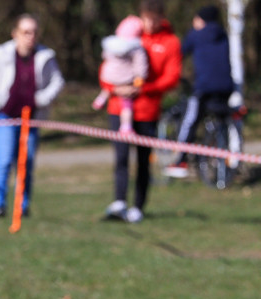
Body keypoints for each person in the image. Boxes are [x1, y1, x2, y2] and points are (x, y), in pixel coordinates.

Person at [0, 13, 65, 219]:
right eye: (25, 32)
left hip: (30, 119)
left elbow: (58, 82)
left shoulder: (45, 56)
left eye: (34, 32)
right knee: (4, 160)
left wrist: (42, 98)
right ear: (15, 33)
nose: (30, 36)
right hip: (3, 117)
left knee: (26, 162)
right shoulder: (2, 53)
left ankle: (22, 206)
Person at [102, 0, 181, 223]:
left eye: (155, 18)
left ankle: (138, 206)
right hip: (119, 108)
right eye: (147, 17)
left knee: (143, 161)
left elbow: (171, 77)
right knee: (120, 157)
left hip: (147, 111)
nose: (151, 23)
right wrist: (114, 87)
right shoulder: (130, 34)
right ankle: (119, 202)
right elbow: (109, 66)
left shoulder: (171, 42)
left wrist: (143, 89)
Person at [163, 5, 236, 178]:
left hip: (203, 88)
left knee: (190, 120)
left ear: (201, 19)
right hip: (226, 88)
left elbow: (179, 53)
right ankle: (228, 160)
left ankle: (180, 160)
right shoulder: (224, 34)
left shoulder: (195, 35)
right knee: (222, 121)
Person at [93, 16, 149, 136]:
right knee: (126, 104)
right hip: (125, 80)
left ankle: (101, 98)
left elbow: (105, 58)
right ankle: (126, 127)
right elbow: (141, 67)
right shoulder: (136, 48)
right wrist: (138, 82)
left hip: (108, 76)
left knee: (108, 87)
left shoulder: (110, 45)